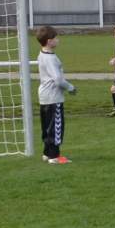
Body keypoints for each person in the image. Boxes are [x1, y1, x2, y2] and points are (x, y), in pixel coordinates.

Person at [34, 25, 74, 164]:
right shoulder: (50, 58)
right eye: (56, 38)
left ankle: (46, 153)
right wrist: (70, 87)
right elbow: (58, 80)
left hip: (44, 96)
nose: (58, 40)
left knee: (47, 126)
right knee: (56, 127)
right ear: (49, 41)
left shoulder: (41, 54)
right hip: (53, 97)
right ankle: (54, 156)